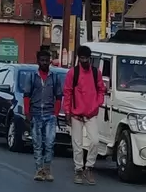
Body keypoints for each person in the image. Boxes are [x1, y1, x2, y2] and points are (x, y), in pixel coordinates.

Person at [20, 46, 66, 180]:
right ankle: (39, 170)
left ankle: (47, 169)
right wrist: (27, 113)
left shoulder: (54, 78)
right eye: (42, 60)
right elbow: (26, 95)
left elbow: (59, 96)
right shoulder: (32, 77)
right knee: (37, 143)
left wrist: (55, 113)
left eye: (46, 60)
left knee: (50, 143)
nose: (44, 63)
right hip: (35, 114)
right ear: (38, 61)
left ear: (50, 61)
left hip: (50, 115)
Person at [63, 45, 105, 180]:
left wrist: (97, 103)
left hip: (91, 114)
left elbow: (101, 89)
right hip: (76, 114)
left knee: (95, 141)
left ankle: (89, 167)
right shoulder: (73, 73)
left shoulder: (96, 73)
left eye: (86, 58)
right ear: (79, 58)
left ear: (90, 58)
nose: (84, 61)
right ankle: (78, 170)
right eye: (82, 58)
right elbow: (67, 93)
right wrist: (67, 112)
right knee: (77, 144)